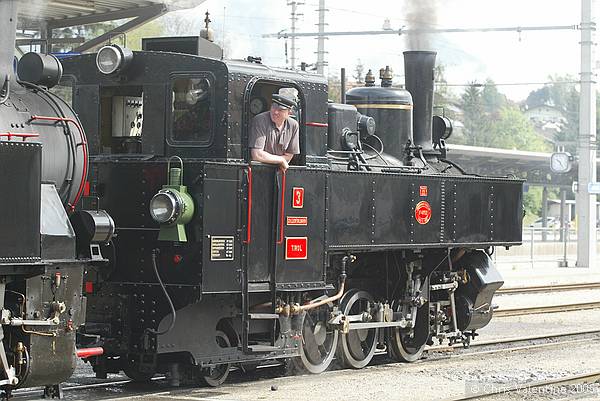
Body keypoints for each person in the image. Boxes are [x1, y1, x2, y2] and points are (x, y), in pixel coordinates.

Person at [249, 91, 299, 171]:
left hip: (279, 173)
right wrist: (281, 160)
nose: (275, 112)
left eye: (280, 110)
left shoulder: (293, 125)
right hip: (259, 171)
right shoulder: (260, 120)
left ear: (289, 112)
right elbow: (257, 154)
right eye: (274, 107)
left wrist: (279, 160)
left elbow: (289, 156)